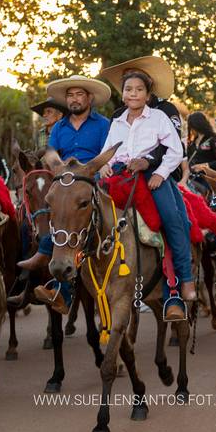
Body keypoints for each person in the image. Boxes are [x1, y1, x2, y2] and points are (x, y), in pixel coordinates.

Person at [99, 72, 196, 321]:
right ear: (123, 94)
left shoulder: (159, 117)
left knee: (172, 219)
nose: (133, 93)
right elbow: (108, 150)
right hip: (121, 175)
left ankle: (184, 279)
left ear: (148, 95)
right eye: (128, 89)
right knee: (90, 212)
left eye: (139, 89)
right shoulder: (117, 121)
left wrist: (161, 174)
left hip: (152, 175)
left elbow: (175, 150)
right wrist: (104, 165)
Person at [15, 75, 111, 314]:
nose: (74, 99)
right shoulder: (59, 128)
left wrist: (106, 166)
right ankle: (59, 292)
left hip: (93, 178)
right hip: (66, 182)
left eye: (79, 94)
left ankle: (44, 254)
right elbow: (52, 156)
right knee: (53, 219)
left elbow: (110, 153)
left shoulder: (103, 124)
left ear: (89, 98)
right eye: (70, 95)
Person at [101, 56, 185, 181]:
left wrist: (148, 161)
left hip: (157, 170)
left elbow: (173, 147)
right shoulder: (118, 116)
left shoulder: (164, 110)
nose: (133, 92)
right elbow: (110, 148)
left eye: (139, 86)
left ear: (148, 83)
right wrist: (104, 164)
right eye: (128, 86)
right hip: (120, 170)